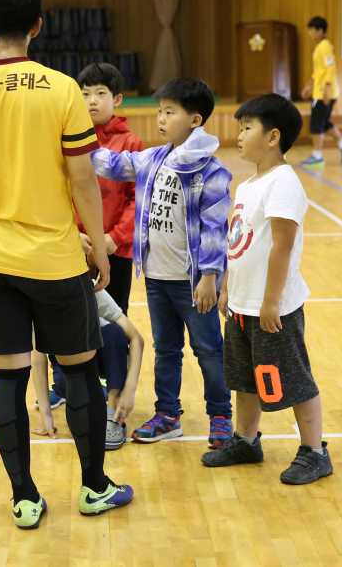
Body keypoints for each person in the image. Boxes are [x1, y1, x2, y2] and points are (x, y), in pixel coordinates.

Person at [0, 0, 133, 530]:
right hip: (53, 260)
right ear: (37, 26)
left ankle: (24, 498)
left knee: (7, 377)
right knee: (79, 372)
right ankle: (94, 488)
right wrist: (99, 248)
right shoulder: (61, 89)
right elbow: (82, 182)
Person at [91, 77, 235, 450]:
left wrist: (209, 277)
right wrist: (72, 141)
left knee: (208, 349)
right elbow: (110, 163)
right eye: (159, 111)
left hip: (192, 283)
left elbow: (217, 231)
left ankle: (221, 415)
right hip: (155, 277)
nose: (160, 118)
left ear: (195, 119)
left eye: (170, 112)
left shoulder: (212, 170)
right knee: (166, 349)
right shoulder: (153, 157)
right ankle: (168, 414)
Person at [202, 93, 333, 485]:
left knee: (293, 380)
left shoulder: (283, 183)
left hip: (273, 307)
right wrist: (227, 289)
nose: (238, 134)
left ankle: (314, 451)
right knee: (245, 378)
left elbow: (282, 244)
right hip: (242, 305)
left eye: (247, 128)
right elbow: (237, 240)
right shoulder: (249, 185)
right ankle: (246, 440)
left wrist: (272, 301)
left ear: (273, 136)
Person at [31, 285, 146, 450]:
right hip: (68, 354)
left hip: (101, 352)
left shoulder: (90, 287)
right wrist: (45, 415)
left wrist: (129, 390)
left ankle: (113, 411)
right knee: (64, 387)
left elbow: (136, 338)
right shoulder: (36, 297)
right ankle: (92, 391)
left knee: (114, 332)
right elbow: (37, 360)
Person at [75, 62, 144, 315]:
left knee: (115, 317)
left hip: (117, 247)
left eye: (100, 93)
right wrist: (72, 234)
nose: (92, 100)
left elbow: (139, 198)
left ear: (117, 99)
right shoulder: (69, 141)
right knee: (74, 318)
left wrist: (115, 238)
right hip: (75, 245)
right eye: (85, 94)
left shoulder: (130, 143)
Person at [300, 16, 342, 168]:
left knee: (317, 123)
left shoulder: (325, 46)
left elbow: (330, 69)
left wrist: (326, 89)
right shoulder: (319, 47)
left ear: (320, 31)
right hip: (319, 89)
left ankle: (317, 156)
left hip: (324, 91)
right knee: (323, 122)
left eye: (312, 30)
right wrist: (309, 85)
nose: (309, 33)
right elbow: (319, 71)